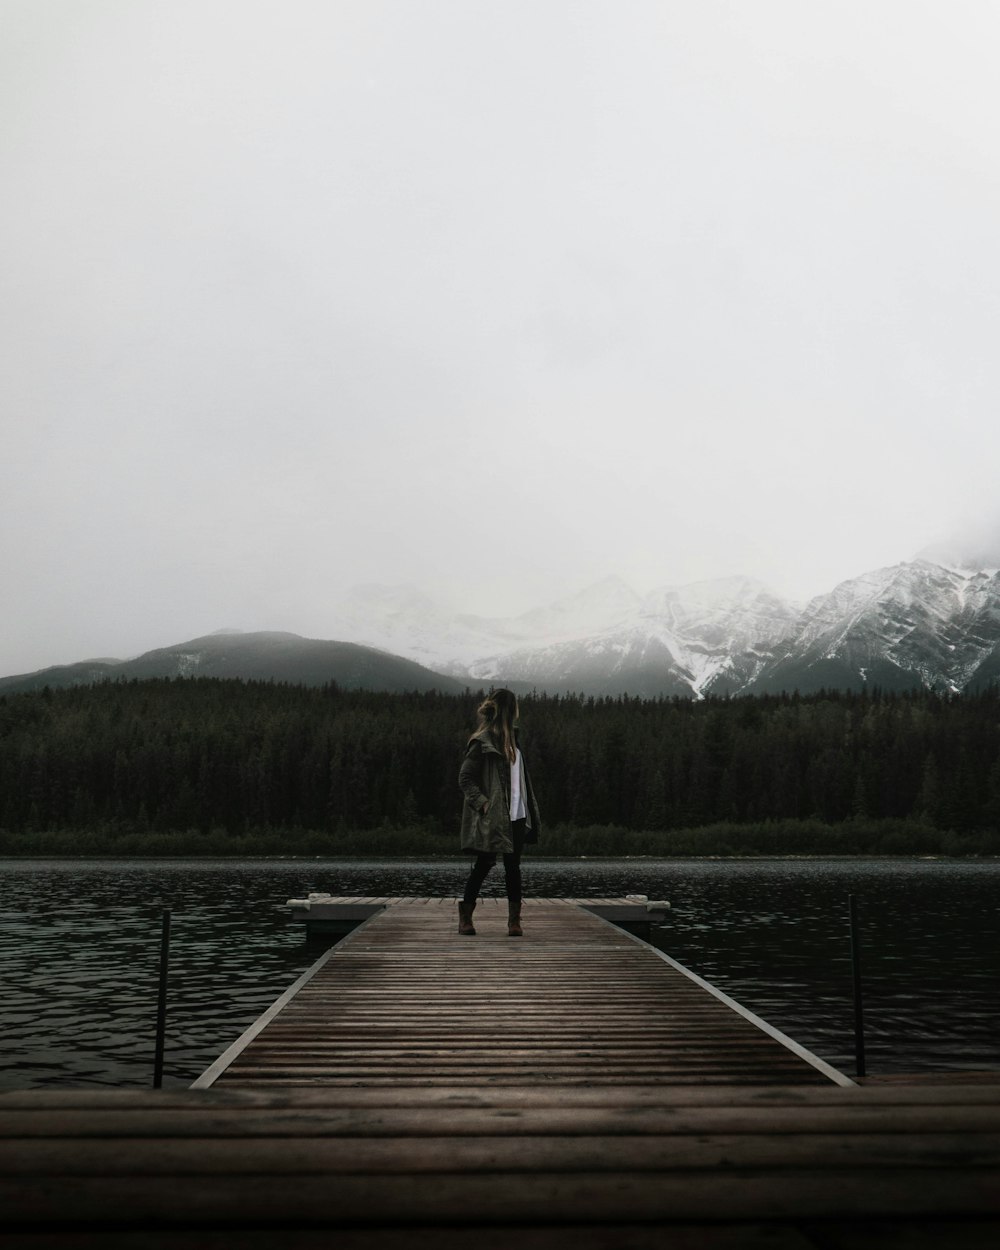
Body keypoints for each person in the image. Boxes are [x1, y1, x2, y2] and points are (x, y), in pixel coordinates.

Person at [457, 688, 541, 937]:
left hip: (517, 815)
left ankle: (514, 922)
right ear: (509, 708)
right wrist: (483, 804)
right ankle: (465, 919)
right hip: (494, 816)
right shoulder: (482, 742)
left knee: (513, 868)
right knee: (484, 864)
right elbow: (465, 778)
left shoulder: (515, 742)